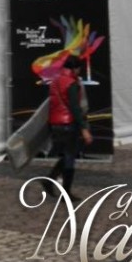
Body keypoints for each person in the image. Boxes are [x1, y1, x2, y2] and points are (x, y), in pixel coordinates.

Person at [44, 55, 92, 202]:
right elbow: (75, 108)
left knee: (66, 155)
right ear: (75, 68)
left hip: (55, 123)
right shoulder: (72, 83)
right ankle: (66, 193)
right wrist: (84, 128)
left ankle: (49, 180)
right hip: (68, 124)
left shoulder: (55, 81)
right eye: (79, 69)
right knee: (70, 157)